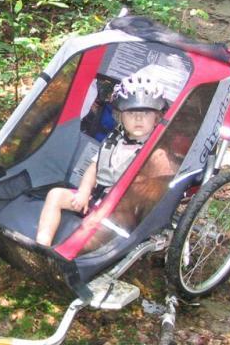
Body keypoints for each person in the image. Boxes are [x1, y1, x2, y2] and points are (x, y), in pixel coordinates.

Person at [35, 73, 168, 247]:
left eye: (145, 113)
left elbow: (155, 192)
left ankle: (67, 254)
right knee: (55, 195)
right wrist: (83, 192)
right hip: (96, 198)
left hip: (121, 212)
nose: (138, 118)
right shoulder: (114, 140)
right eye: (131, 112)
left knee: (96, 225)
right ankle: (41, 244)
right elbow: (94, 168)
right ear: (120, 116)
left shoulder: (155, 152)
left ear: (157, 117)